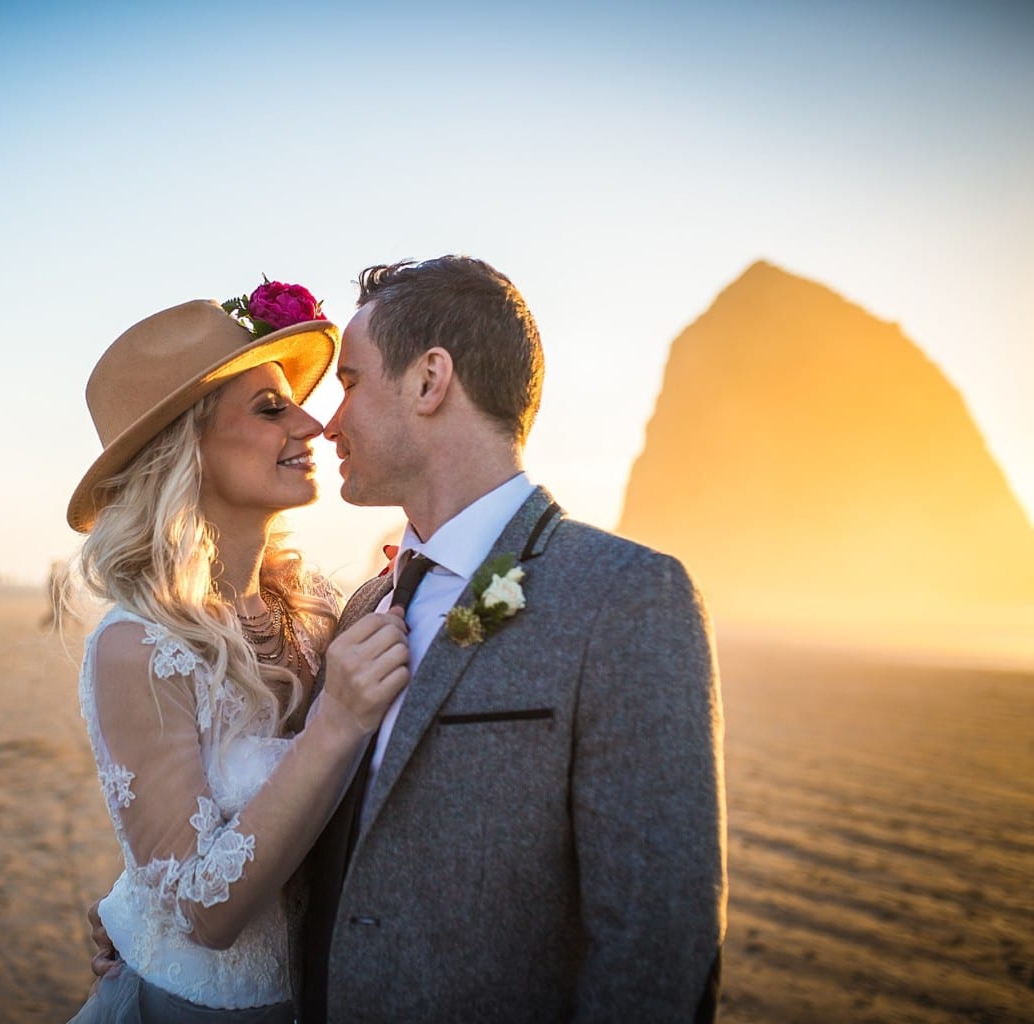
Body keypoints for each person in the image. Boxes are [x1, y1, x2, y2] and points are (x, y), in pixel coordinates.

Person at [92, 257, 727, 1022]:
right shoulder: (363, 608)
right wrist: (142, 923)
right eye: (278, 407)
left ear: (429, 382)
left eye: (350, 382)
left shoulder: (623, 597)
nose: (325, 423)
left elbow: (658, 947)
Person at [61, 284, 418, 1022]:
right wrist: (335, 723)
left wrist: (130, 900)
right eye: (271, 408)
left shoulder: (320, 608)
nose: (313, 423)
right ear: (185, 451)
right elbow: (202, 910)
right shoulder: (137, 645)